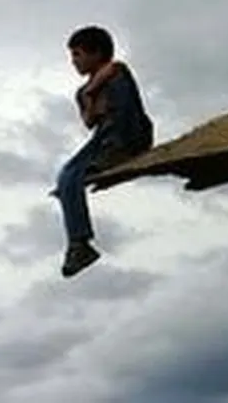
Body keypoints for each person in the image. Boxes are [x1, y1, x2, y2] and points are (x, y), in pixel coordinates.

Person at [51, 25, 154, 278]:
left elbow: (115, 70)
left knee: (117, 88)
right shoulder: (82, 92)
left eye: (78, 54)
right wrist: (89, 96)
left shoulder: (117, 72)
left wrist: (93, 89)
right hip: (103, 138)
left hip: (130, 132)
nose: (73, 61)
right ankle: (79, 245)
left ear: (96, 53)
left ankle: (118, 150)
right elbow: (89, 121)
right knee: (66, 176)